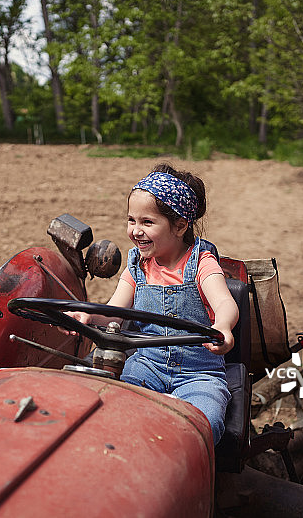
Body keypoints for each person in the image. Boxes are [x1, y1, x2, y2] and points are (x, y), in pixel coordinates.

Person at [68, 164, 238, 444]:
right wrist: (88, 316)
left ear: (180, 226)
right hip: (145, 365)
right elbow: (115, 313)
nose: (136, 231)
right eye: (131, 220)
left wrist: (222, 325)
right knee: (111, 408)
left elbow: (225, 303)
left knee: (205, 423)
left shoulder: (201, 263)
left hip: (199, 373)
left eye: (147, 222)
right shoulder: (137, 266)